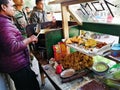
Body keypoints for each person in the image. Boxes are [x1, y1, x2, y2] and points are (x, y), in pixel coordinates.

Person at [0, 0, 40, 90]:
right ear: (4, 7)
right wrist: (29, 39)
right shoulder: (3, 24)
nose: (13, 9)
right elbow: (12, 47)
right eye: (11, 6)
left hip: (15, 63)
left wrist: (26, 40)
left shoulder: (5, 21)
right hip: (17, 65)